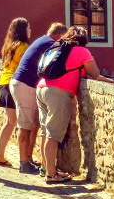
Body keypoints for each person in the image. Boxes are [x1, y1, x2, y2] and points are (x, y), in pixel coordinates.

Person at [37, 25, 103, 183]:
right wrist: (110, 81)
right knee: (53, 135)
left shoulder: (57, 46)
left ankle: (45, 168)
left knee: (46, 132)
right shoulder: (81, 51)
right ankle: (51, 175)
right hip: (58, 92)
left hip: (41, 88)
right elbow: (95, 74)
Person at [8, 21, 63, 175]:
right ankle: (24, 163)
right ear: (59, 36)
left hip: (22, 83)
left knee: (31, 124)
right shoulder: (51, 44)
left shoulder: (42, 40)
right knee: (24, 125)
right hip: (25, 84)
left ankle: (28, 159)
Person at [0, 18, 32, 168]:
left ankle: (0, 155)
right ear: (23, 30)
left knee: (10, 122)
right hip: (13, 84)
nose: (30, 30)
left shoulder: (8, 46)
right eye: (28, 28)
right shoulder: (24, 47)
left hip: (4, 82)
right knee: (18, 122)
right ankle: (25, 157)